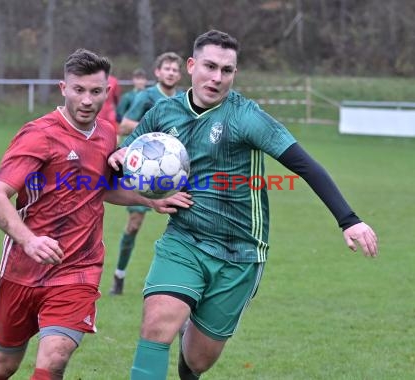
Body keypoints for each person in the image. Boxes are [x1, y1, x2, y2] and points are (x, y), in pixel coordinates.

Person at [107, 30, 379, 380]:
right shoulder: (163, 114)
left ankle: (189, 328)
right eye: (209, 66)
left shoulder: (245, 117)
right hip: (184, 240)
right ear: (192, 66)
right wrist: (124, 163)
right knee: (156, 325)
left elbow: (304, 165)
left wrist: (349, 220)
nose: (217, 77)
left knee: (197, 360)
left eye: (227, 70)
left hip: (240, 253)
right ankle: (178, 308)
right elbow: (126, 162)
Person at [0, 48, 191, 380]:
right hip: (23, 268)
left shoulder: (108, 133)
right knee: (5, 363)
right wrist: (30, 240)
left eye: (95, 91)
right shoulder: (39, 134)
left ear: (107, 91)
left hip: (79, 267)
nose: (87, 100)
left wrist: (149, 200)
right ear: (63, 88)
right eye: (78, 90)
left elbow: (102, 187)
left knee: (55, 358)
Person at [109, 52, 184, 296]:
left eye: (175, 69)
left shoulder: (184, 99)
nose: (171, 72)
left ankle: (182, 287)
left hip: (176, 172)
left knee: (185, 227)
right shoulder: (146, 96)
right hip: (144, 171)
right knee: (134, 224)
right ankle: (119, 275)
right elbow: (125, 125)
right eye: (167, 69)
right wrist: (156, 131)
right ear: (158, 73)